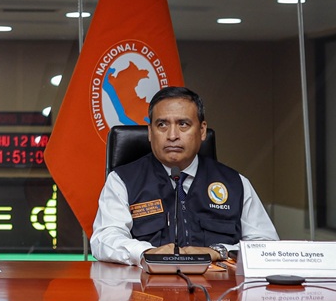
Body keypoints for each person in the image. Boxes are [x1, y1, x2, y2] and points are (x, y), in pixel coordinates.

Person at [92, 85, 278, 266]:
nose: (172, 135)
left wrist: (219, 251)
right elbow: (104, 239)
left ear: (202, 130)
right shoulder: (122, 180)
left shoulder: (235, 183)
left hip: (219, 293)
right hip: (148, 291)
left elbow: (267, 247)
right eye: (162, 125)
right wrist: (145, 253)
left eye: (183, 124)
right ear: (150, 132)